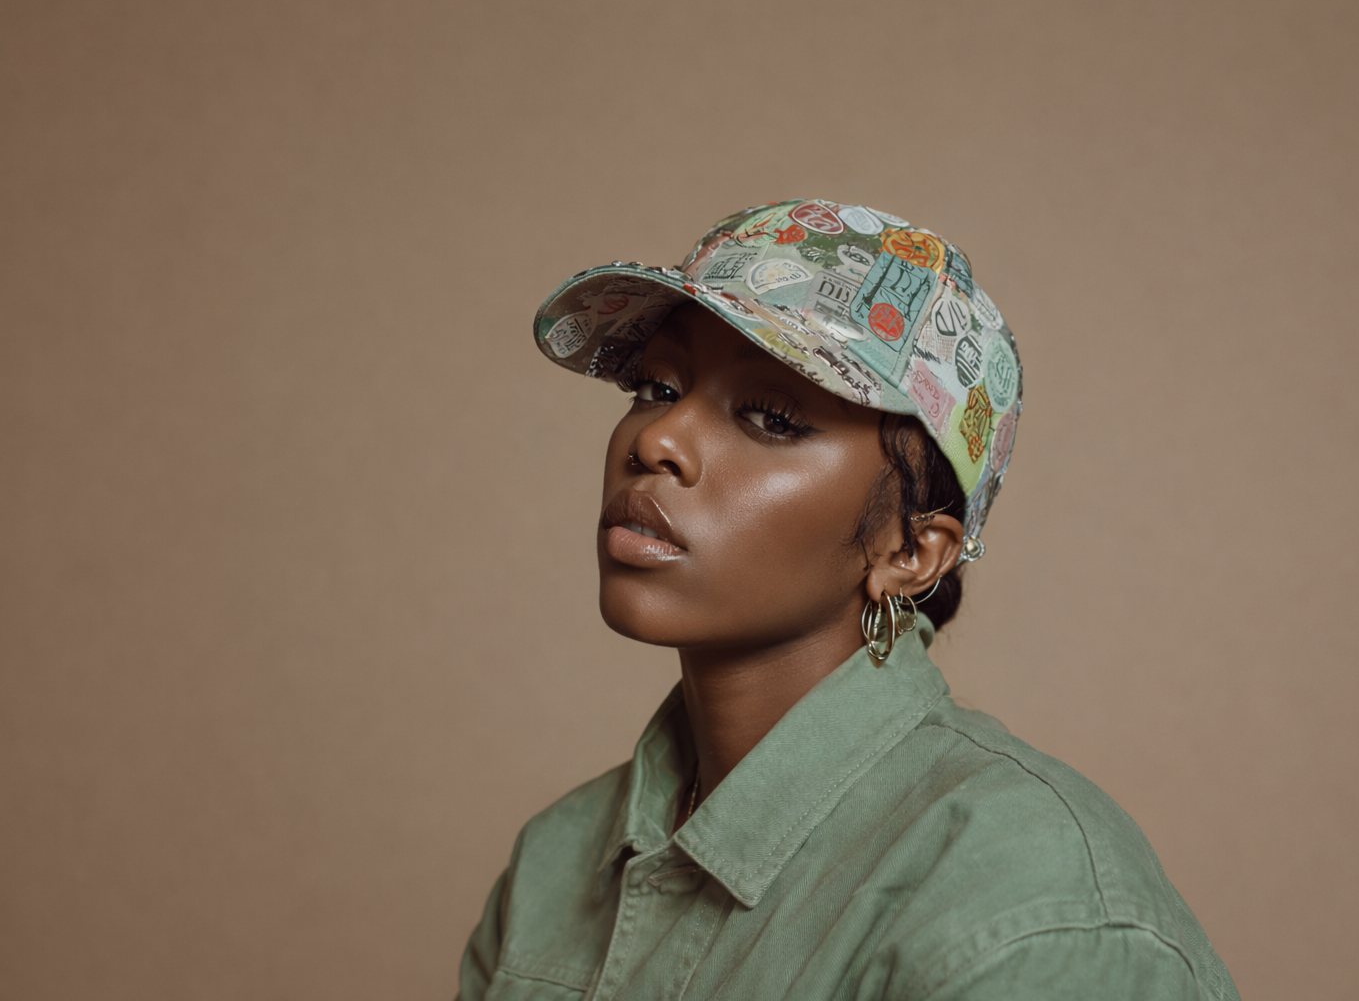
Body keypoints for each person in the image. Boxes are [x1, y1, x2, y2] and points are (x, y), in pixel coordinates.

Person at [457, 200, 1238, 1000]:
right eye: (657, 387)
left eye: (771, 417)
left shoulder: (1033, 907)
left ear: (908, 550)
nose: (655, 441)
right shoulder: (555, 866)